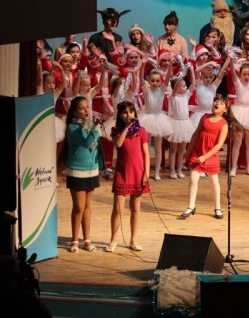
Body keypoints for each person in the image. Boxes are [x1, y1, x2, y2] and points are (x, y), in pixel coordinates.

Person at [57, 96, 103, 252]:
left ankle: (87, 240)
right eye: (82, 108)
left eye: (87, 107)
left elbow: (95, 145)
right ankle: (75, 240)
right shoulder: (72, 128)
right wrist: (95, 128)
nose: (86, 111)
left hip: (92, 170)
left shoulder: (90, 124)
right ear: (75, 112)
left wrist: (95, 126)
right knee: (78, 207)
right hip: (77, 171)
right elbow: (87, 142)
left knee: (87, 207)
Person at [105, 101, 150, 252]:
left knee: (135, 208)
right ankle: (113, 240)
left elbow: (146, 154)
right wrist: (127, 127)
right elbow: (118, 144)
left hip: (138, 173)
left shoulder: (142, 131)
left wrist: (146, 173)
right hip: (123, 173)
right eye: (125, 112)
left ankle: (133, 240)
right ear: (120, 115)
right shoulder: (116, 131)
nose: (128, 115)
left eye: (131, 112)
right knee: (118, 209)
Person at [182, 95, 236, 219]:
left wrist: (205, 157)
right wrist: (188, 150)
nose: (217, 103)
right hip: (197, 151)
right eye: (216, 101)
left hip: (210, 154)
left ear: (225, 109)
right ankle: (191, 206)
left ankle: (217, 207)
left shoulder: (224, 124)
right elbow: (196, 134)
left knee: (214, 181)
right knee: (193, 178)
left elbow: (219, 145)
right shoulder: (205, 117)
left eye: (221, 103)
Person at [138, 68, 173, 181]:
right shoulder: (146, 89)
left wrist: (171, 65)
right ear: (149, 81)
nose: (155, 83)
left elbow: (168, 77)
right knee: (146, 147)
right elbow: (140, 78)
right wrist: (143, 65)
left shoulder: (162, 90)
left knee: (158, 148)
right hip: (147, 119)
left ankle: (157, 172)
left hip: (159, 119)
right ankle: (146, 171)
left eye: (157, 81)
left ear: (161, 82)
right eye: (152, 81)